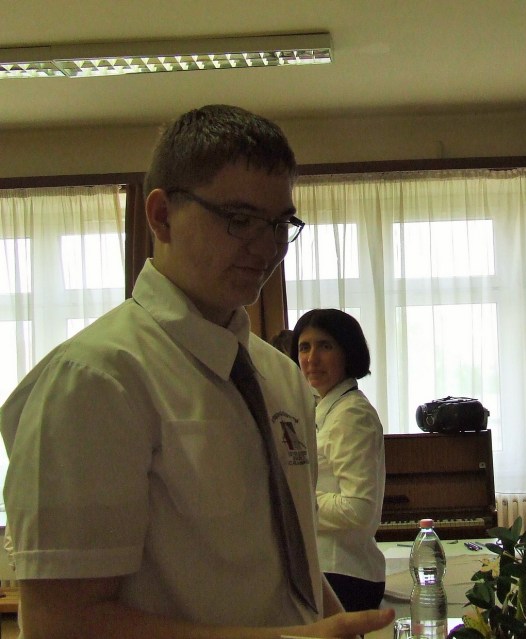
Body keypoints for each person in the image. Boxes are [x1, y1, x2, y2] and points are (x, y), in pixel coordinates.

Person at [0, 105, 393, 639]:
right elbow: (62, 623)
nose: (267, 247)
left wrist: (336, 624)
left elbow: (292, 562)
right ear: (161, 215)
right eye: (240, 219)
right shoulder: (96, 379)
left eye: (280, 224)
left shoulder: (278, 375)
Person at [290, 309, 386, 612]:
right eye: (304, 347)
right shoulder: (324, 407)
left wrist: (295, 501)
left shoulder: (351, 414)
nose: (311, 358)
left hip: (344, 575)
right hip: (329, 571)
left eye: (325, 346)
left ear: (348, 353)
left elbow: (359, 509)